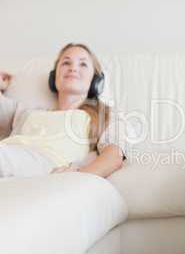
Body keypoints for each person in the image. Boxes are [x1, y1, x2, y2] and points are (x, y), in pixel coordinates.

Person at [0, 43, 133, 178]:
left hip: (47, 165)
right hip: (8, 153)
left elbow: (114, 155)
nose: (73, 68)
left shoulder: (103, 114)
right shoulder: (27, 112)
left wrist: (76, 176)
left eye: (83, 64)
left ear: (95, 80)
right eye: (66, 63)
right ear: (54, 77)